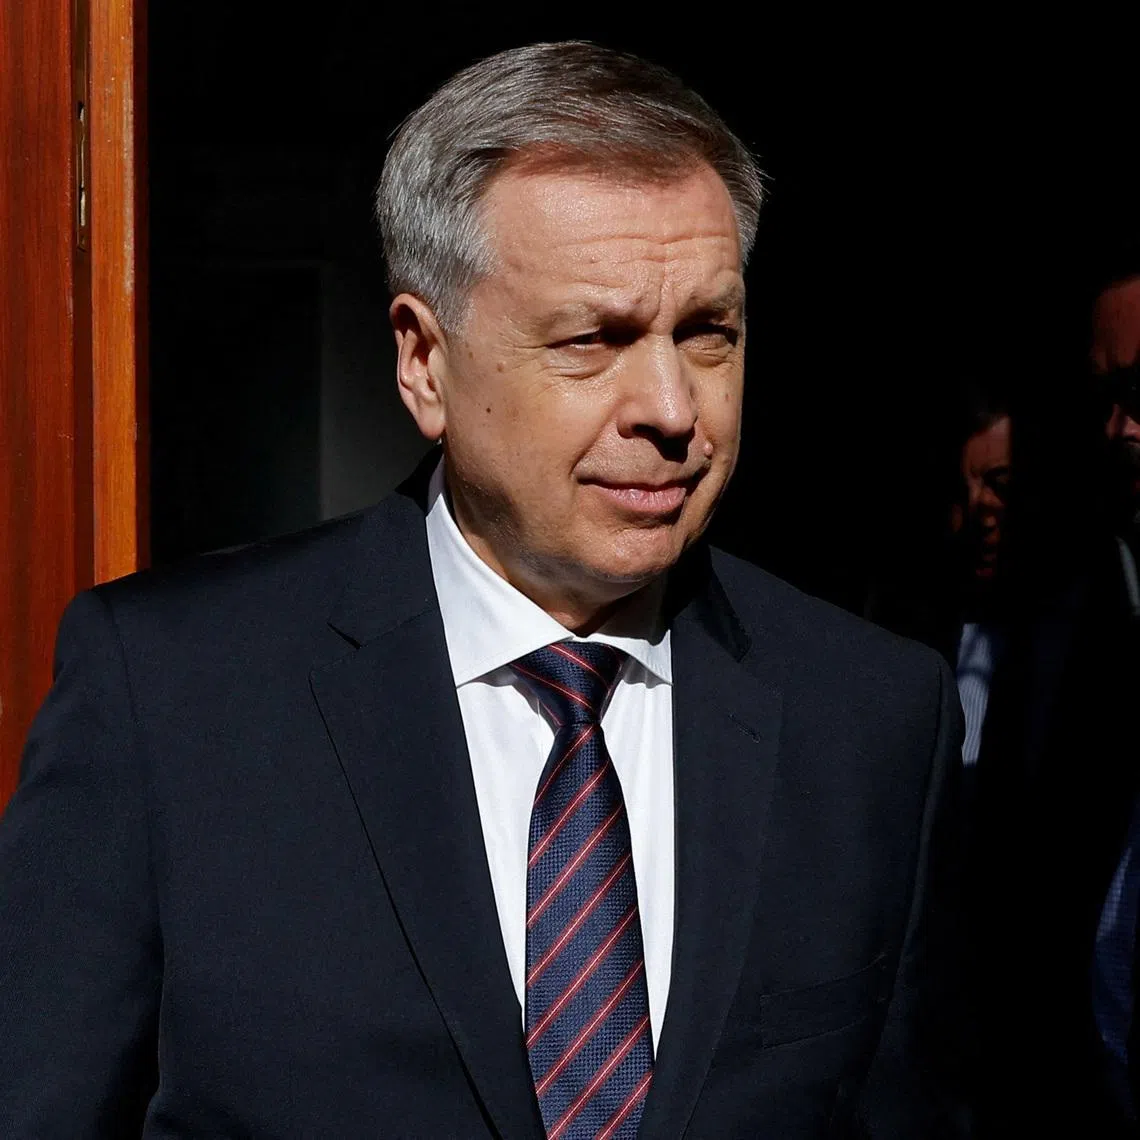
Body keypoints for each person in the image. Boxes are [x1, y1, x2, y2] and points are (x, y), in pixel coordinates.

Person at [0, 42, 970, 1137]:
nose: (670, 406)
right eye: (591, 341)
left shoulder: (872, 719)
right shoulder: (172, 695)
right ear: (424, 362)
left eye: (708, 335)